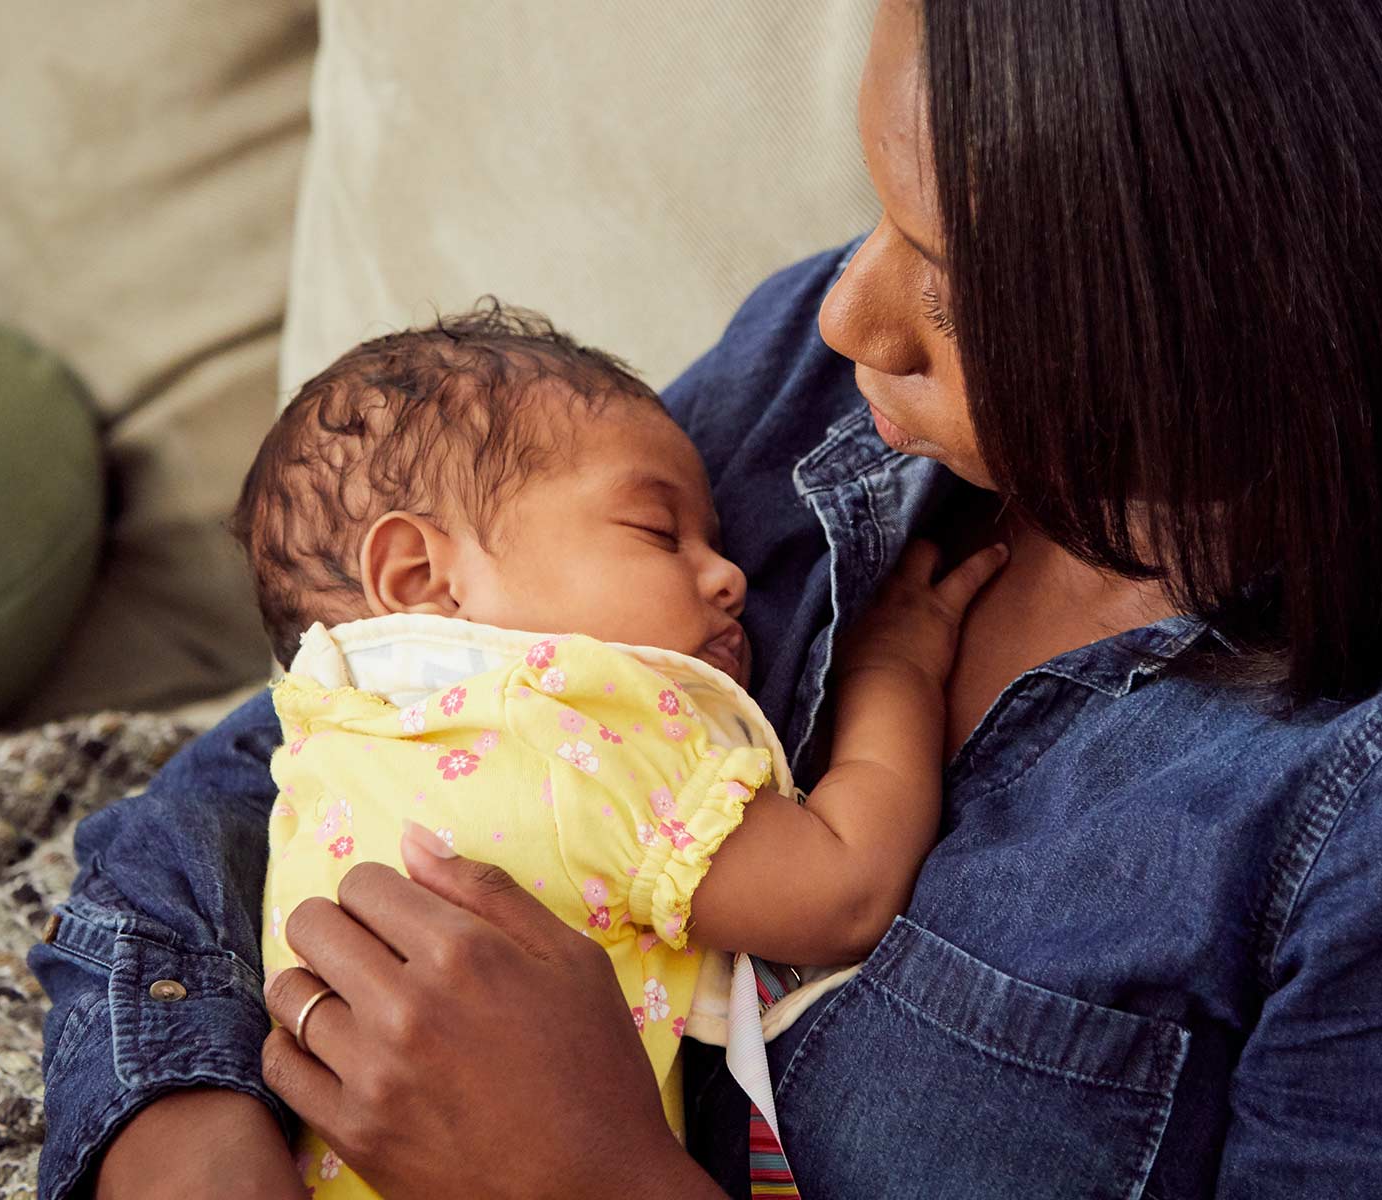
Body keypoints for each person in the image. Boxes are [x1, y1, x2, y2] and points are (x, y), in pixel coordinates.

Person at [30, 0, 1382, 1195]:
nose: (841, 312)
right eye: (876, 210)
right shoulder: (824, 385)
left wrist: (590, 1180)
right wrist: (185, 1131)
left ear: (1258, 319)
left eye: (955, 281)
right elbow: (263, 764)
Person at [235, 306, 1005, 1194]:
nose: (730, 577)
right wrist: (895, 667)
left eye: (712, 539)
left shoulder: (325, 733)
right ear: (421, 577)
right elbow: (844, 888)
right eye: (655, 531)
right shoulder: (568, 723)